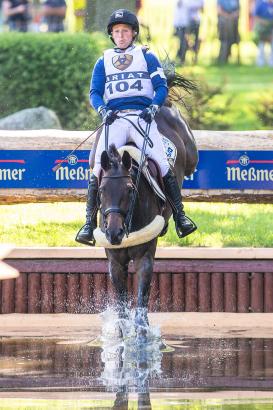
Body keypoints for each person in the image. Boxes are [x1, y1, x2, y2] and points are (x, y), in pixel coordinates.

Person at [76, 9, 196, 245]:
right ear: (112, 34)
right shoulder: (103, 60)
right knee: (98, 168)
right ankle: (89, 223)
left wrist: (153, 106)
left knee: (162, 164)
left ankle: (180, 217)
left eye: (125, 31)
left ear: (133, 33)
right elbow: (95, 93)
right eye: (117, 31)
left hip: (143, 119)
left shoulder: (147, 57)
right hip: (116, 120)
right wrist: (103, 110)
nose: (121, 36)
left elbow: (161, 87)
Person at [174, 0, 204, 64]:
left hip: (192, 23)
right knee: (184, 41)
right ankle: (182, 59)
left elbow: (202, 8)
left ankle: (191, 58)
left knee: (193, 41)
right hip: (182, 23)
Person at [253, 0, 273, 66]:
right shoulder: (260, 3)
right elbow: (255, 16)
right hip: (262, 27)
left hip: (271, 27)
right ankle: (260, 62)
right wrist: (263, 22)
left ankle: (271, 62)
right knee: (261, 44)